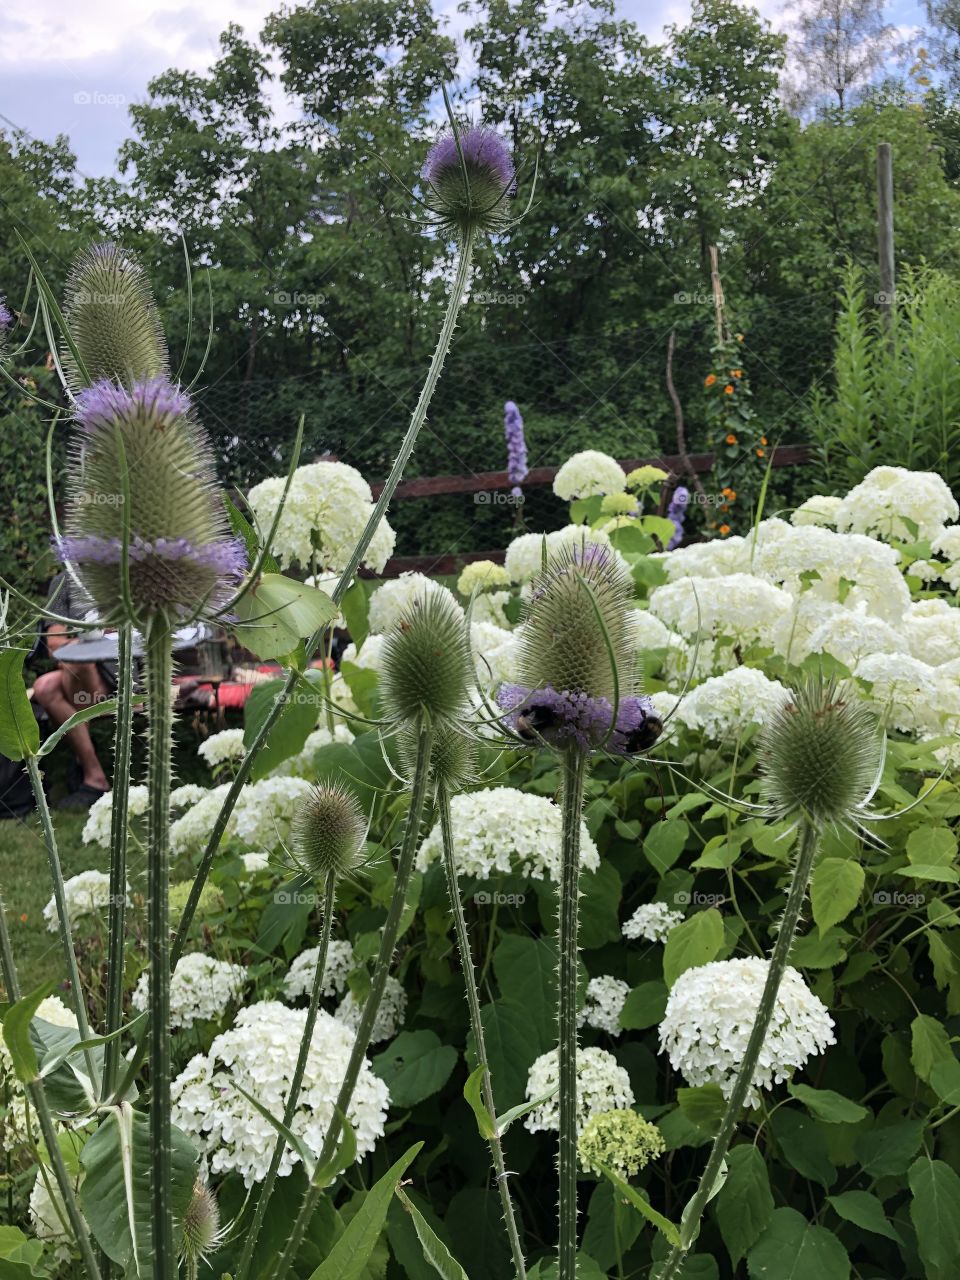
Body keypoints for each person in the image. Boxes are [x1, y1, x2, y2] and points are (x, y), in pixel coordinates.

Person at [31, 572, 115, 809]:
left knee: (77, 661)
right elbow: (55, 645)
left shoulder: (123, 575)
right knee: (44, 686)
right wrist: (86, 641)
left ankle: (83, 761)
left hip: (119, 674)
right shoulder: (63, 583)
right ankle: (95, 775)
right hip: (80, 680)